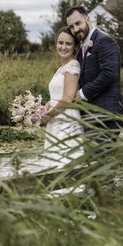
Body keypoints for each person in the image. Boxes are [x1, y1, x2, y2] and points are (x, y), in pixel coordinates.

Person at [65, 5, 123, 141]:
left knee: (103, 160)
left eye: (78, 23)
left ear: (87, 19)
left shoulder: (104, 41)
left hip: (105, 116)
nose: (75, 29)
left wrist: (82, 93)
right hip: (89, 117)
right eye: (71, 27)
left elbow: (109, 74)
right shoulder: (81, 49)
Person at [40, 27, 84, 165]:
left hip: (66, 121)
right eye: (60, 43)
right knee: (53, 162)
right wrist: (42, 109)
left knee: (64, 161)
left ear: (75, 46)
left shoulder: (73, 66)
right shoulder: (62, 68)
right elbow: (56, 96)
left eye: (68, 44)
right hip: (56, 119)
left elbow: (67, 98)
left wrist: (48, 116)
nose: (63, 47)